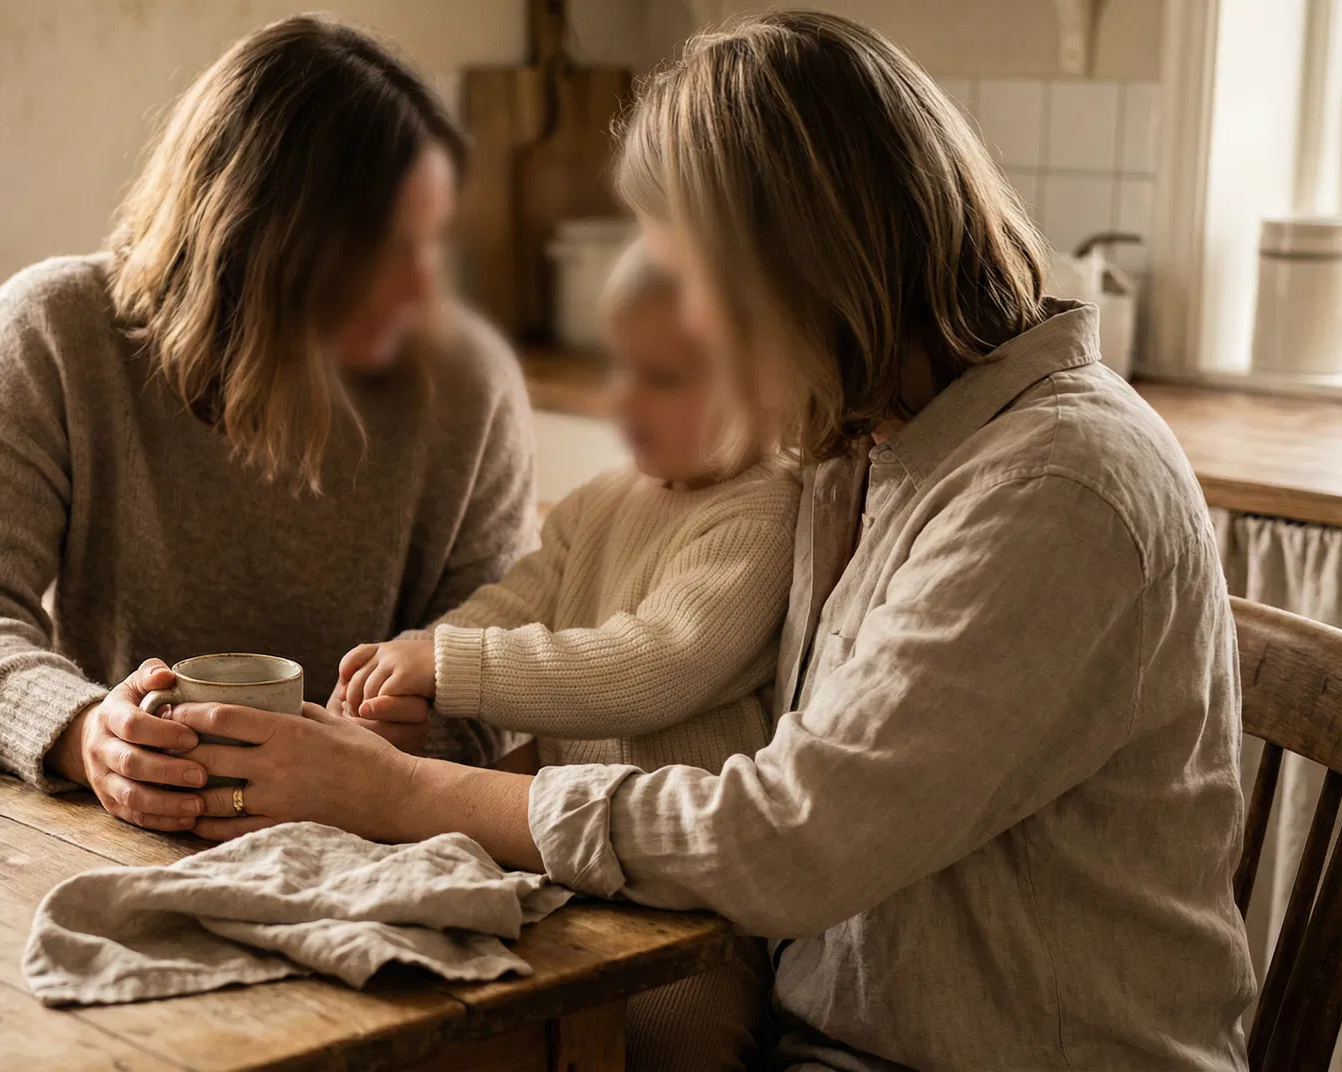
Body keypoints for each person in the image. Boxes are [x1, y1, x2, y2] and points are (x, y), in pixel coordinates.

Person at [161, 12, 1257, 1069]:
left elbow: (789, 834)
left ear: (802, 273)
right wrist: (447, 732)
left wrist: (397, 795)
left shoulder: (1055, 488)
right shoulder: (869, 444)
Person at [0, 15, 537, 831]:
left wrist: (422, 725)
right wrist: (85, 734)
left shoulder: (467, 383)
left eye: (432, 243)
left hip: (368, 841)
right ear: (256, 241)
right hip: (111, 831)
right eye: (386, 249)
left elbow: (511, 654)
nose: (422, 291)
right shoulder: (57, 331)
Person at [336, 241, 798, 1070]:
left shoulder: (763, 514)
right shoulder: (603, 499)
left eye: (663, 378)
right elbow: (518, 603)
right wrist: (419, 657)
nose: (624, 400)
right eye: (617, 368)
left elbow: (648, 667)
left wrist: (456, 668)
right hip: (562, 868)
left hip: (690, 914)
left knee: (670, 1046)